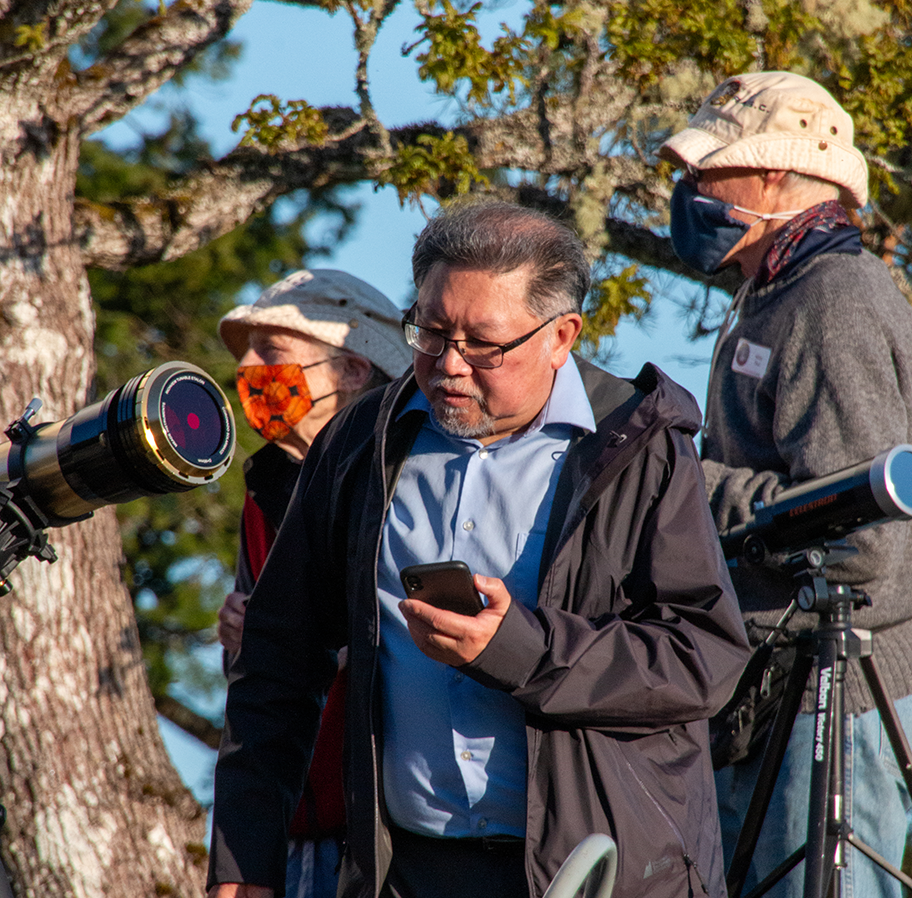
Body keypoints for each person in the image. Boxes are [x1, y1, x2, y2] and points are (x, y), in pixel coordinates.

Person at [207, 200, 749, 898]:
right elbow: (276, 663)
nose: (448, 365)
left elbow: (702, 657)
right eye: (429, 332)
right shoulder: (361, 441)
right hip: (405, 874)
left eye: (483, 343)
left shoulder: (640, 447)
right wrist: (245, 861)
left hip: (604, 876)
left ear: (562, 336)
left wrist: (517, 647)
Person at [661, 71, 912, 898]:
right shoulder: (772, 290)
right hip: (787, 687)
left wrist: (688, 485)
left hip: (846, 691)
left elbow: (863, 537)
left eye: (707, 171)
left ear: (775, 174)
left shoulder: (832, 299)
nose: (688, 190)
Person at [216, 268, 412, 898]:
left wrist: (306, 638)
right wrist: (243, 641)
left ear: (354, 371)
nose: (247, 368)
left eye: (271, 352)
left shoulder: (407, 485)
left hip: (386, 842)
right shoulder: (266, 491)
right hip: (293, 837)